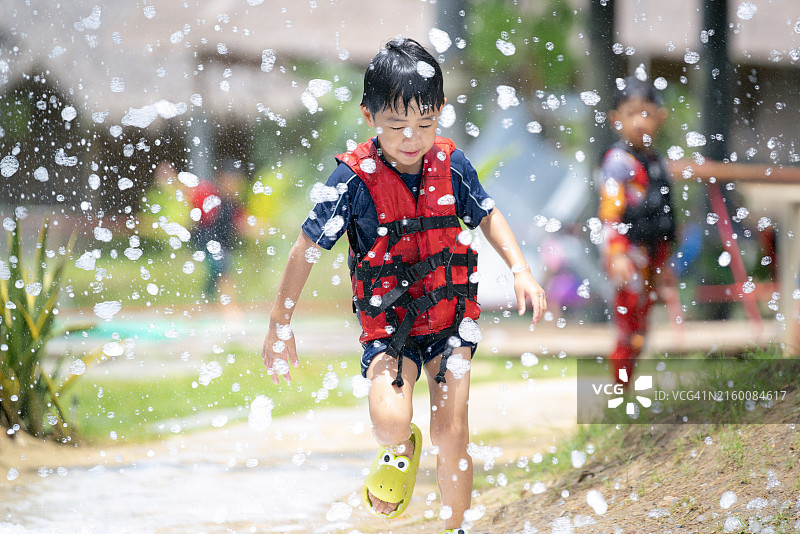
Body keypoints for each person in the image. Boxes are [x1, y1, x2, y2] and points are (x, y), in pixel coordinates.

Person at [261, 38, 546, 534]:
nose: (412, 138)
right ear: (369, 116)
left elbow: (490, 214)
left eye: (425, 123)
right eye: (397, 126)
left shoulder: (451, 165)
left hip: (452, 319)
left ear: (440, 114)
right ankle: (400, 445)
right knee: (390, 422)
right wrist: (279, 324)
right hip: (391, 326)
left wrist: (520, 269)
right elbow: (304, 250)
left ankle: (456, 525)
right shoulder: (351, 181)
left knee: (451, 430)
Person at [598, 76, 677, 386]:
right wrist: (616, 253)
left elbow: (667, 214)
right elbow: (610, 212)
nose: (639, 122)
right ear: (616, 120)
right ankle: (620, 385)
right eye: (631, 113)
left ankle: (628, 384)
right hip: (628, 251)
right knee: (628, 319)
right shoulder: (618, 162)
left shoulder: (657, 162)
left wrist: (666, 260)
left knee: (643, 322)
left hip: (653, 253)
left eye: (646, 113)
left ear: (660, 117)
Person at [190, 160, 247, 301]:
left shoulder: (232, 203)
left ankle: (196, 314)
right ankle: (232, 313)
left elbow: (243, 224)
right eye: (231, 179)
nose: (235, 184)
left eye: (237, 180)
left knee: (211, 286)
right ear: (221, 178)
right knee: (224, 270)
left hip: (220, 248)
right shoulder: (209, 195)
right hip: (206, 245)